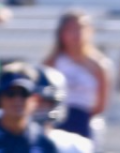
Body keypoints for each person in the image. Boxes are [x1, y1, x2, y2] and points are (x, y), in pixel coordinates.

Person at [42, 9, 110, 144]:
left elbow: (101, 104)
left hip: (84, 119)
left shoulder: (99, 65)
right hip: (57, 119)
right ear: (61, 33)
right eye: (71, 29)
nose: (77, 34)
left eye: (80, 28)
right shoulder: (52, 63)